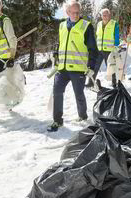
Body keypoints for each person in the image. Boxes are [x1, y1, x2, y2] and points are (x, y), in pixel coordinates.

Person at [47, 0, 98, 132]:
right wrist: (55, 53)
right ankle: (57, 121)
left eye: (77, 12)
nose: (75, 14)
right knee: (57, 91)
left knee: (79, 93)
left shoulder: (86, 26)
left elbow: (93, 49)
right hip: (62, 67)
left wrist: (91, 67)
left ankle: (82, 115)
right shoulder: (62, 25)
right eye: (72, 12)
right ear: (67, 12)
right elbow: (61, 42)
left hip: (78, 68)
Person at [85, 8, 120, 88]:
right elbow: (97, 36)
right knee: (94, 67)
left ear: (109, 15)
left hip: (109, 50)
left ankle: (115, 84)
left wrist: (116, 47)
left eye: (106, 15)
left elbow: (117, 37)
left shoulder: (114, 24)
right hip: (99, 50)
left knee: (112, 67)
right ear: (101, 16)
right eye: (103, 15)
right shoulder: (99, 24)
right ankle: (91, 82)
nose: (104, 16)